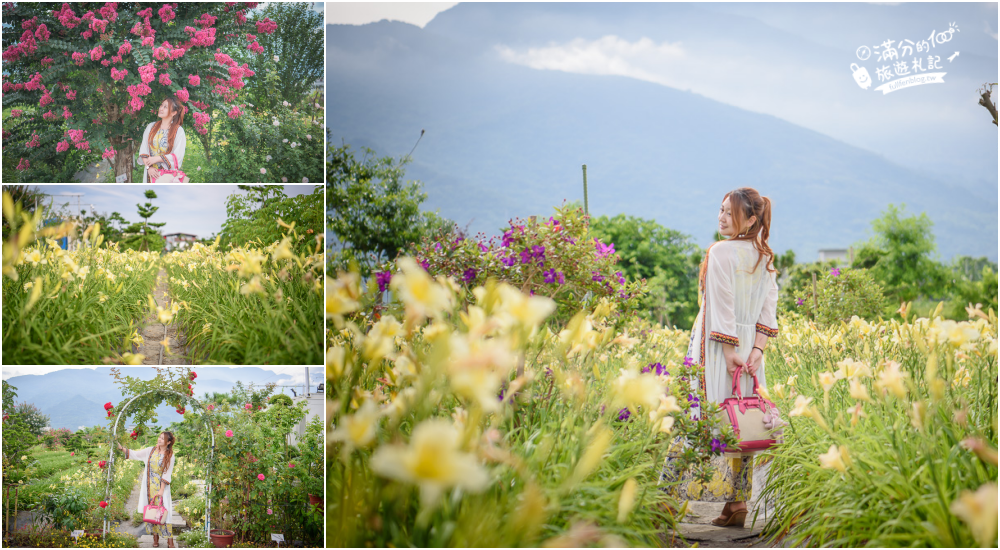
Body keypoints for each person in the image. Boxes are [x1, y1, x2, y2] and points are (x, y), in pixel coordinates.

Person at [660, 187, 779, 528]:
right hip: (750, 353)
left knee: (697, 414)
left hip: (716, 346)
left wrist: (730, 353)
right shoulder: (765, 257)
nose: (721, 217)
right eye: (721, 210)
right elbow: (768, 313)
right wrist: (756, 350)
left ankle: (665, 499)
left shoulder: (721, 252)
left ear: (751, 218)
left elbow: (721, 304)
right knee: (738, 421)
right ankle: (737, 503)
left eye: (729, 212)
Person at [119, 431, 177, 547]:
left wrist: (161, 490)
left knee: (164, 513)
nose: (159, 439)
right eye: (159, 437)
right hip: (149, 487)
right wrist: (121, 449)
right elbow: (136, 454)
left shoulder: (170, 455)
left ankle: (170, 540)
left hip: (162, 489)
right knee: (152, 513)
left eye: (162, 438)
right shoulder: (150, 450)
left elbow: (167, 473)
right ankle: (155, 539)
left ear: (169, 442)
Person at [138, 98, 188, 183]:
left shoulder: (178, 131)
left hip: (167, 176)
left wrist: (157, 158)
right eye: (161, 105)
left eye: (165, 107)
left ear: (173, 113)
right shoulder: (151, 127)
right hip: (150, 174)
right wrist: (149, 168)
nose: (161, 108)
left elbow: (177, 156)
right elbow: (143, 150)